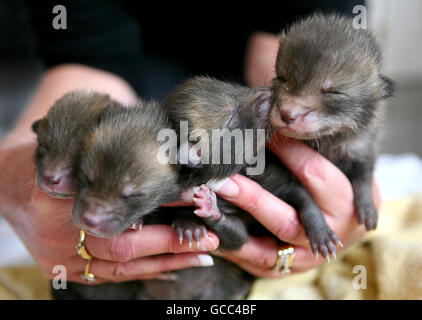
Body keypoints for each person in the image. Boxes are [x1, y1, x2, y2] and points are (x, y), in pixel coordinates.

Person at [0, 0, 377, 286]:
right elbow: (87, 56)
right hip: (143, 101)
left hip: (226, 100)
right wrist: (14, 178)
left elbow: (296, 58)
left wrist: (338, 179)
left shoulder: (278, 92)